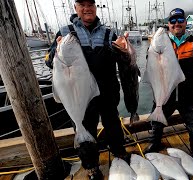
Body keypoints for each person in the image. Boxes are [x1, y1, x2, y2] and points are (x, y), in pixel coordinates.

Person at [45, 0, 130, 179]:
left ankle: (119, 152)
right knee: (84, 127)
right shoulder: (64, 32)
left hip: (107, 91)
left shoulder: (109, 33)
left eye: (90, 4)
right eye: (81, 5)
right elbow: (48, 60)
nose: (87, 8)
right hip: (79, 93)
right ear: (76, 8)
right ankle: (91, 167)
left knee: (113, 124)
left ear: (95, 7)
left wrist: (124, 50)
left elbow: (123, 60)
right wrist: (55, 52)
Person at [143, 8, 193, 162]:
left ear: (185, 23)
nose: (176, 23)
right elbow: (150, 65)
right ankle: (154, 142)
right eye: (173, 21)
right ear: (168, 24)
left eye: (180, 20)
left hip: (188, 93)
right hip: (165, 93)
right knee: (156, 122)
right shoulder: (161, 41)